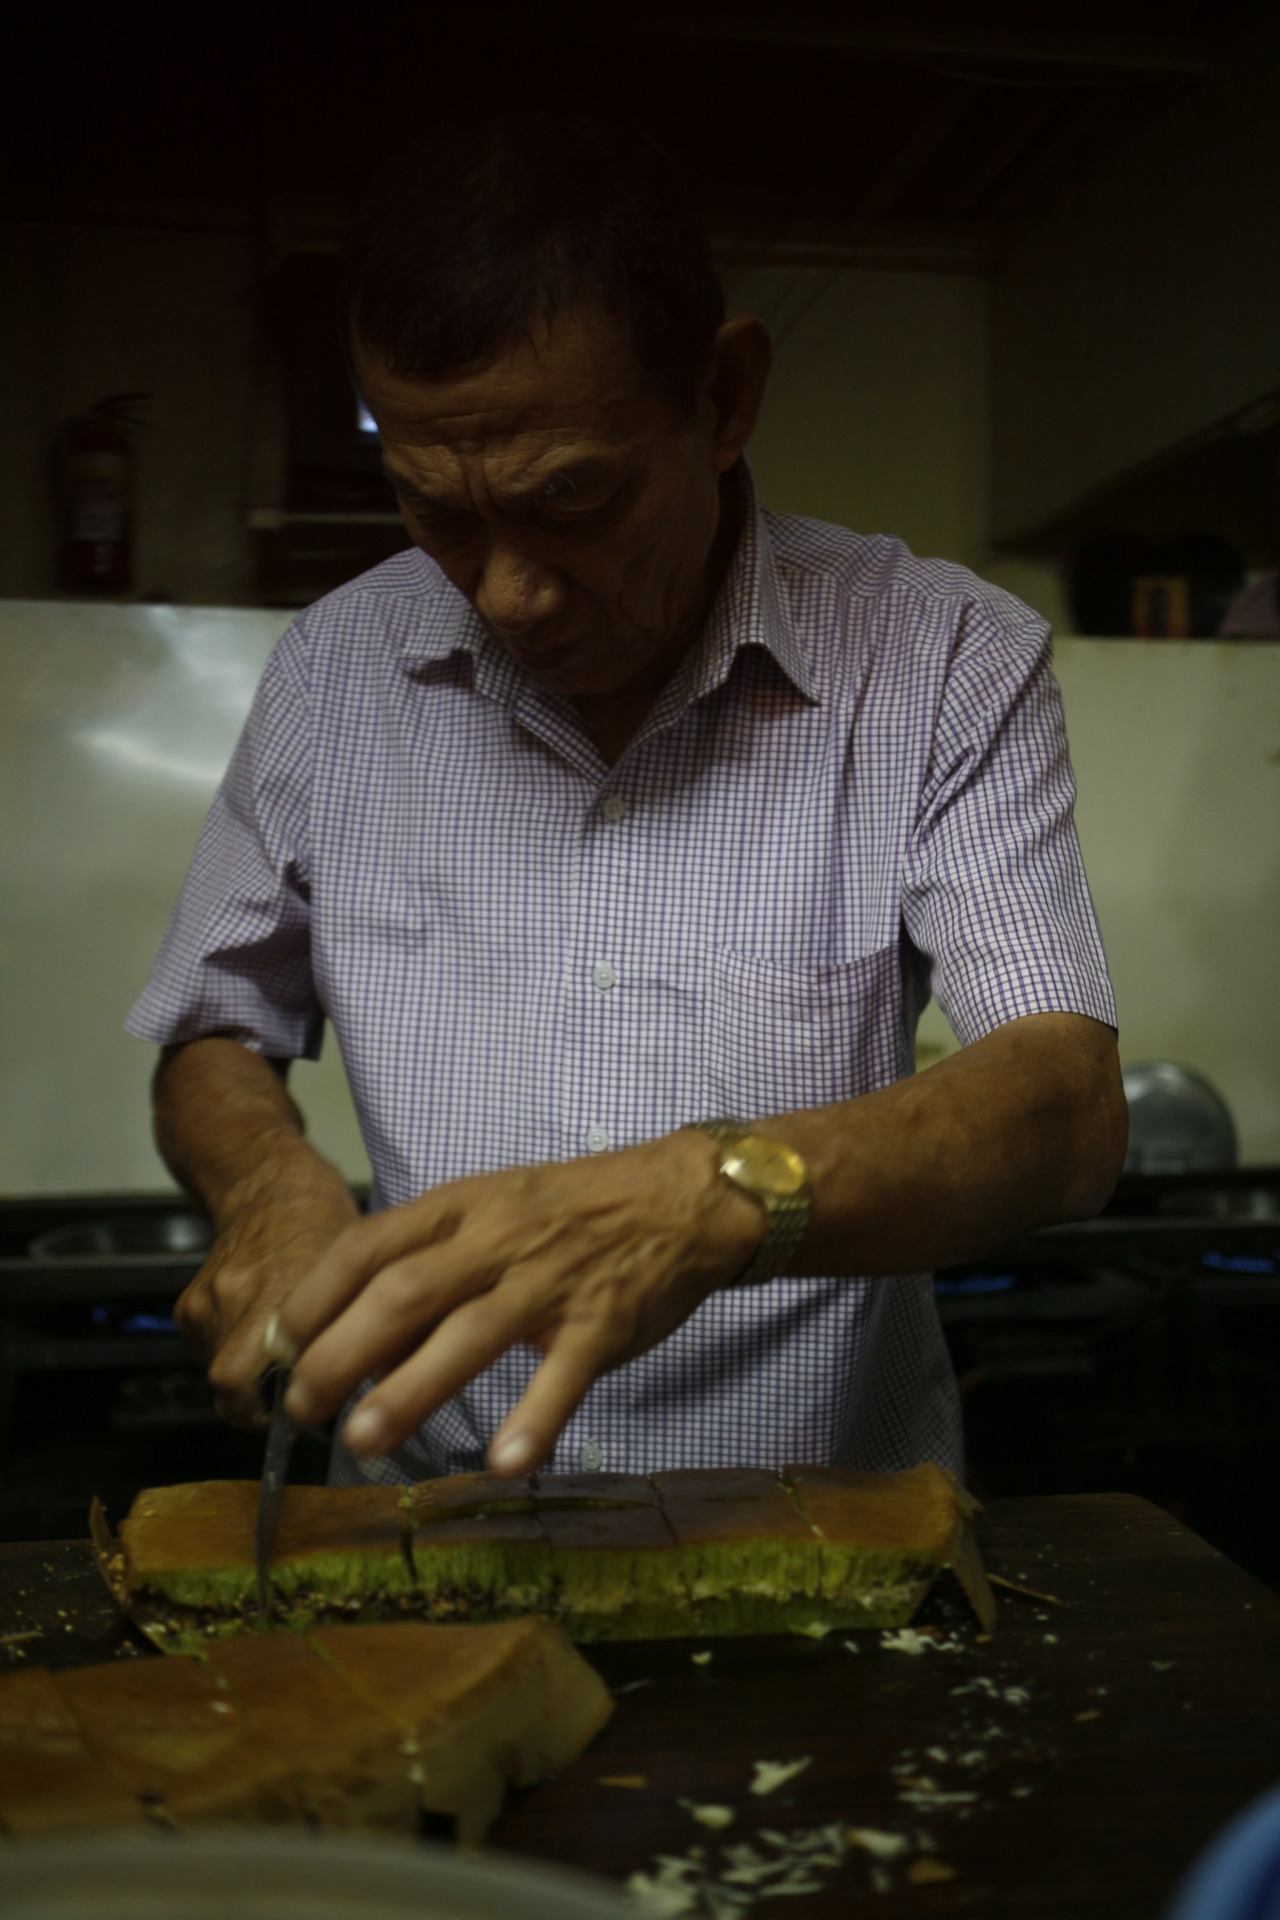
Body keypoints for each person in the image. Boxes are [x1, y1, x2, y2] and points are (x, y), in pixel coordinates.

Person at [128, 111, 1126, 1491]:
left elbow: (1066, 1112)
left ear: (723, 398)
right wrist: (267, 1189)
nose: (506, 594)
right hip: (432, 1532)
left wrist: (710, 1195)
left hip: (816, 1547)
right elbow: (214, 1031)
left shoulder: (940, 655)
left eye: (573, 501)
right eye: (438, 513)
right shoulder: (334, 672)